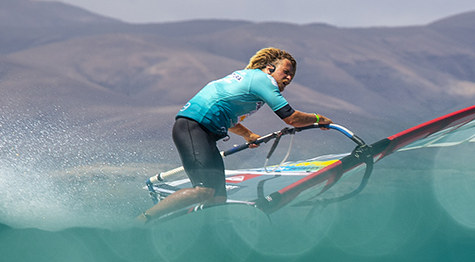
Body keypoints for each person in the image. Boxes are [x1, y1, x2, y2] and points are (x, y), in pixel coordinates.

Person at [139, 47, 331, 222]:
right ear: (270, 68)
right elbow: (291, 118)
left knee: (217, 199)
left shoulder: (250, 79)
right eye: (286, 72)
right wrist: (318, 118)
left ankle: (198, 234)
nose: (288, 79)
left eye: (291, 77)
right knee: (203, 190)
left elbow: (228, 117)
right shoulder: (263, 81)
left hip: (200, 131)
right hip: (193, 128)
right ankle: (144, 220)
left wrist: (248, 135)